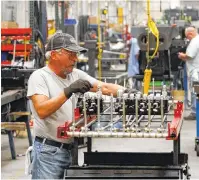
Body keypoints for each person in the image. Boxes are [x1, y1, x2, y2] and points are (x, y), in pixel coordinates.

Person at [27, 31, 135, 179]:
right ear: (53, 55)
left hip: (71, 148)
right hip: (48, 152)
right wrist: (68, 91)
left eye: (76, 54)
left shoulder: (75, 74)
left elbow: (103, 88)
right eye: (71, 54)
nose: (75, 59)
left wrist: (128, 93)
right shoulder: (40, 77)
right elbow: (42, 110)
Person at [178, 26, 199, 120]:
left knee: (196, 91)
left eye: (187, 36)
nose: (187, 39)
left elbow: (189, 56)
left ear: (190, 34)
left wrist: (181, 56)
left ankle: (195, 112)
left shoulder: (195, 42)